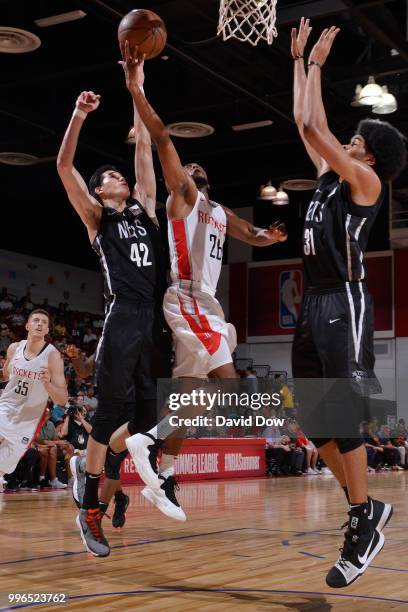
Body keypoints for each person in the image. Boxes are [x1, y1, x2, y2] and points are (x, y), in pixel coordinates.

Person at [112, 43, 287, 517]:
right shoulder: (183, 197)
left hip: (208, 305)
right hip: (187, 298)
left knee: (192, 398)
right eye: (185, 168)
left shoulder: (219, 211)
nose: (189, 169)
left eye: (195, 169)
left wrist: (269, 237)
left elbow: (250, 232)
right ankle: (148, 441)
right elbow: (164, 141)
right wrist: (136, 89)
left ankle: (162, 476)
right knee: (228, 387)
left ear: (207, 179)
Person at [290, 19, 406, 588]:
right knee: (314, 423)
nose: (350, 139)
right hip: (313, 302)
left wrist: (317, 65)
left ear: (373, 156)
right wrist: (297, 64)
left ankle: (363, 519)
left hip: (345, 301)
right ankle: (366, 507)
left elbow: (315, 125)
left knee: (340, 412)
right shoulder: (329, 182)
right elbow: (303, 124)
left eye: (359, 139)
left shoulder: (366, 183)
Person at [57, 62, 171, 557]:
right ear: (101, 190)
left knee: (149, 418)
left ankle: (102, 475)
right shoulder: (97, 216)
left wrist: (137, 87)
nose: (118, 176)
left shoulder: (145, 207)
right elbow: (64, 168)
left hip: (153, 317)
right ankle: (89, 507)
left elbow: (145, 145)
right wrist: (79, 116)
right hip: (122, 314)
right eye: (109, 176)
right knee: (109, 417)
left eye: (118, 173)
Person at [0, 309, 68, 491]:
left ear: (47, 330)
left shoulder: (53, 356)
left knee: (5, 464)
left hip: (29, 417)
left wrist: (48, 385)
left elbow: (62, 399)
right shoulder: (14, 348)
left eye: (44, 322)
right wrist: (7, 368)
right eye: (36, 320)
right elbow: (6, 375)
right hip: (7, 406)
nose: (39, 324)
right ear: (27, 325)